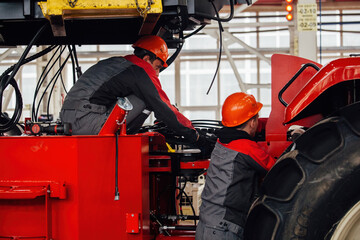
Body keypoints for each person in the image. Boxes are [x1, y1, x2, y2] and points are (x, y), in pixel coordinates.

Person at [60, 35, 198, 142]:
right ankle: (127, 139)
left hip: (70, 121)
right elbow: (161, 104)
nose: (156, 73)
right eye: (157, 67)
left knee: (145, 95)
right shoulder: (139, 69)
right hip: (86, 121)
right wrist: (192, 133)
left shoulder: (118, 64)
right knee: (146, 98)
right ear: (146, 58)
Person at [195, 92, 276, 240]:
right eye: (256, 119)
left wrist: (269, 122)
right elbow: (276, 168)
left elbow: (252, 126)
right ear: (252, 122)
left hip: (207, 225)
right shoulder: (247, 148)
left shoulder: (222, 141)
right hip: (223, 229)